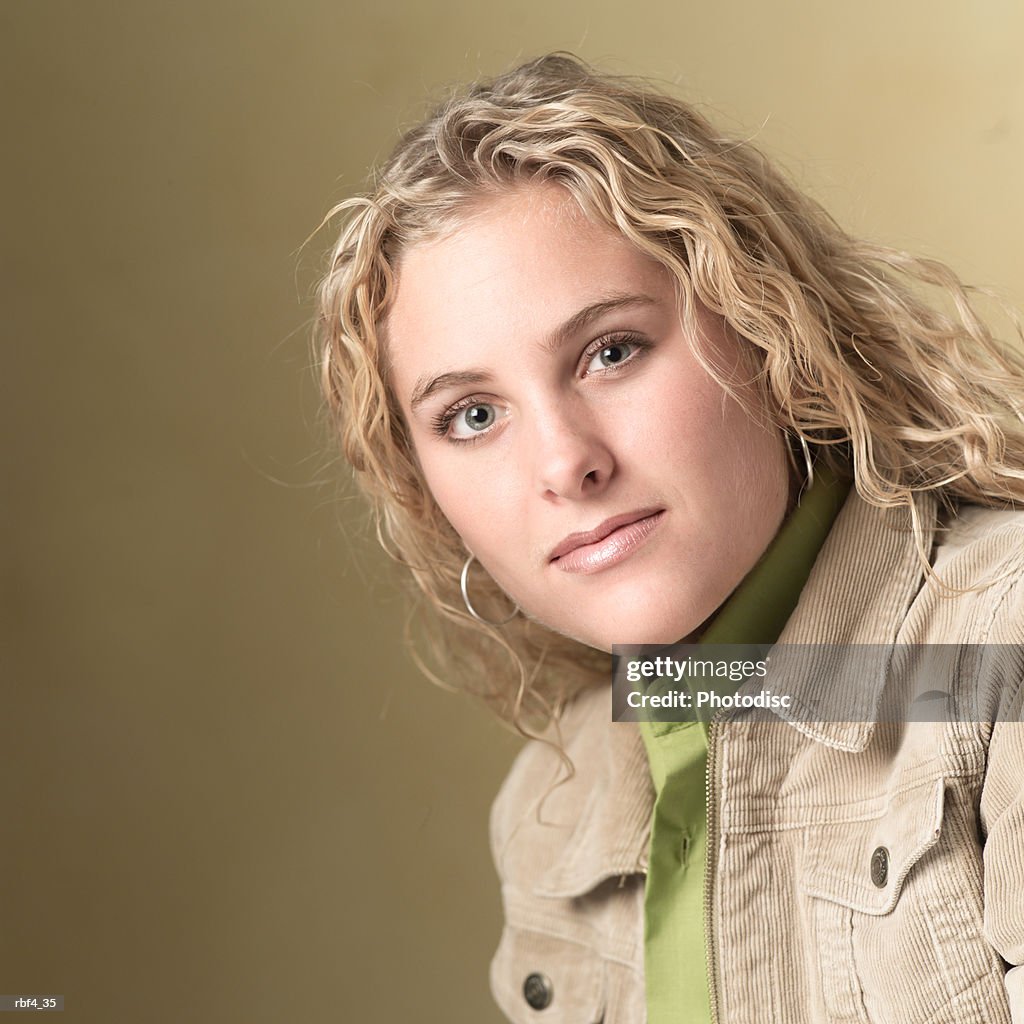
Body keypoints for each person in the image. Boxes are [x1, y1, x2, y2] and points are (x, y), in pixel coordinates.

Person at [315, 52, 1024, 1023]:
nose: (565, 463)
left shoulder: (1003, 652)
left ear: (764, 324)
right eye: (472, 416)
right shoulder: (550, 807)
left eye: (611, 351)